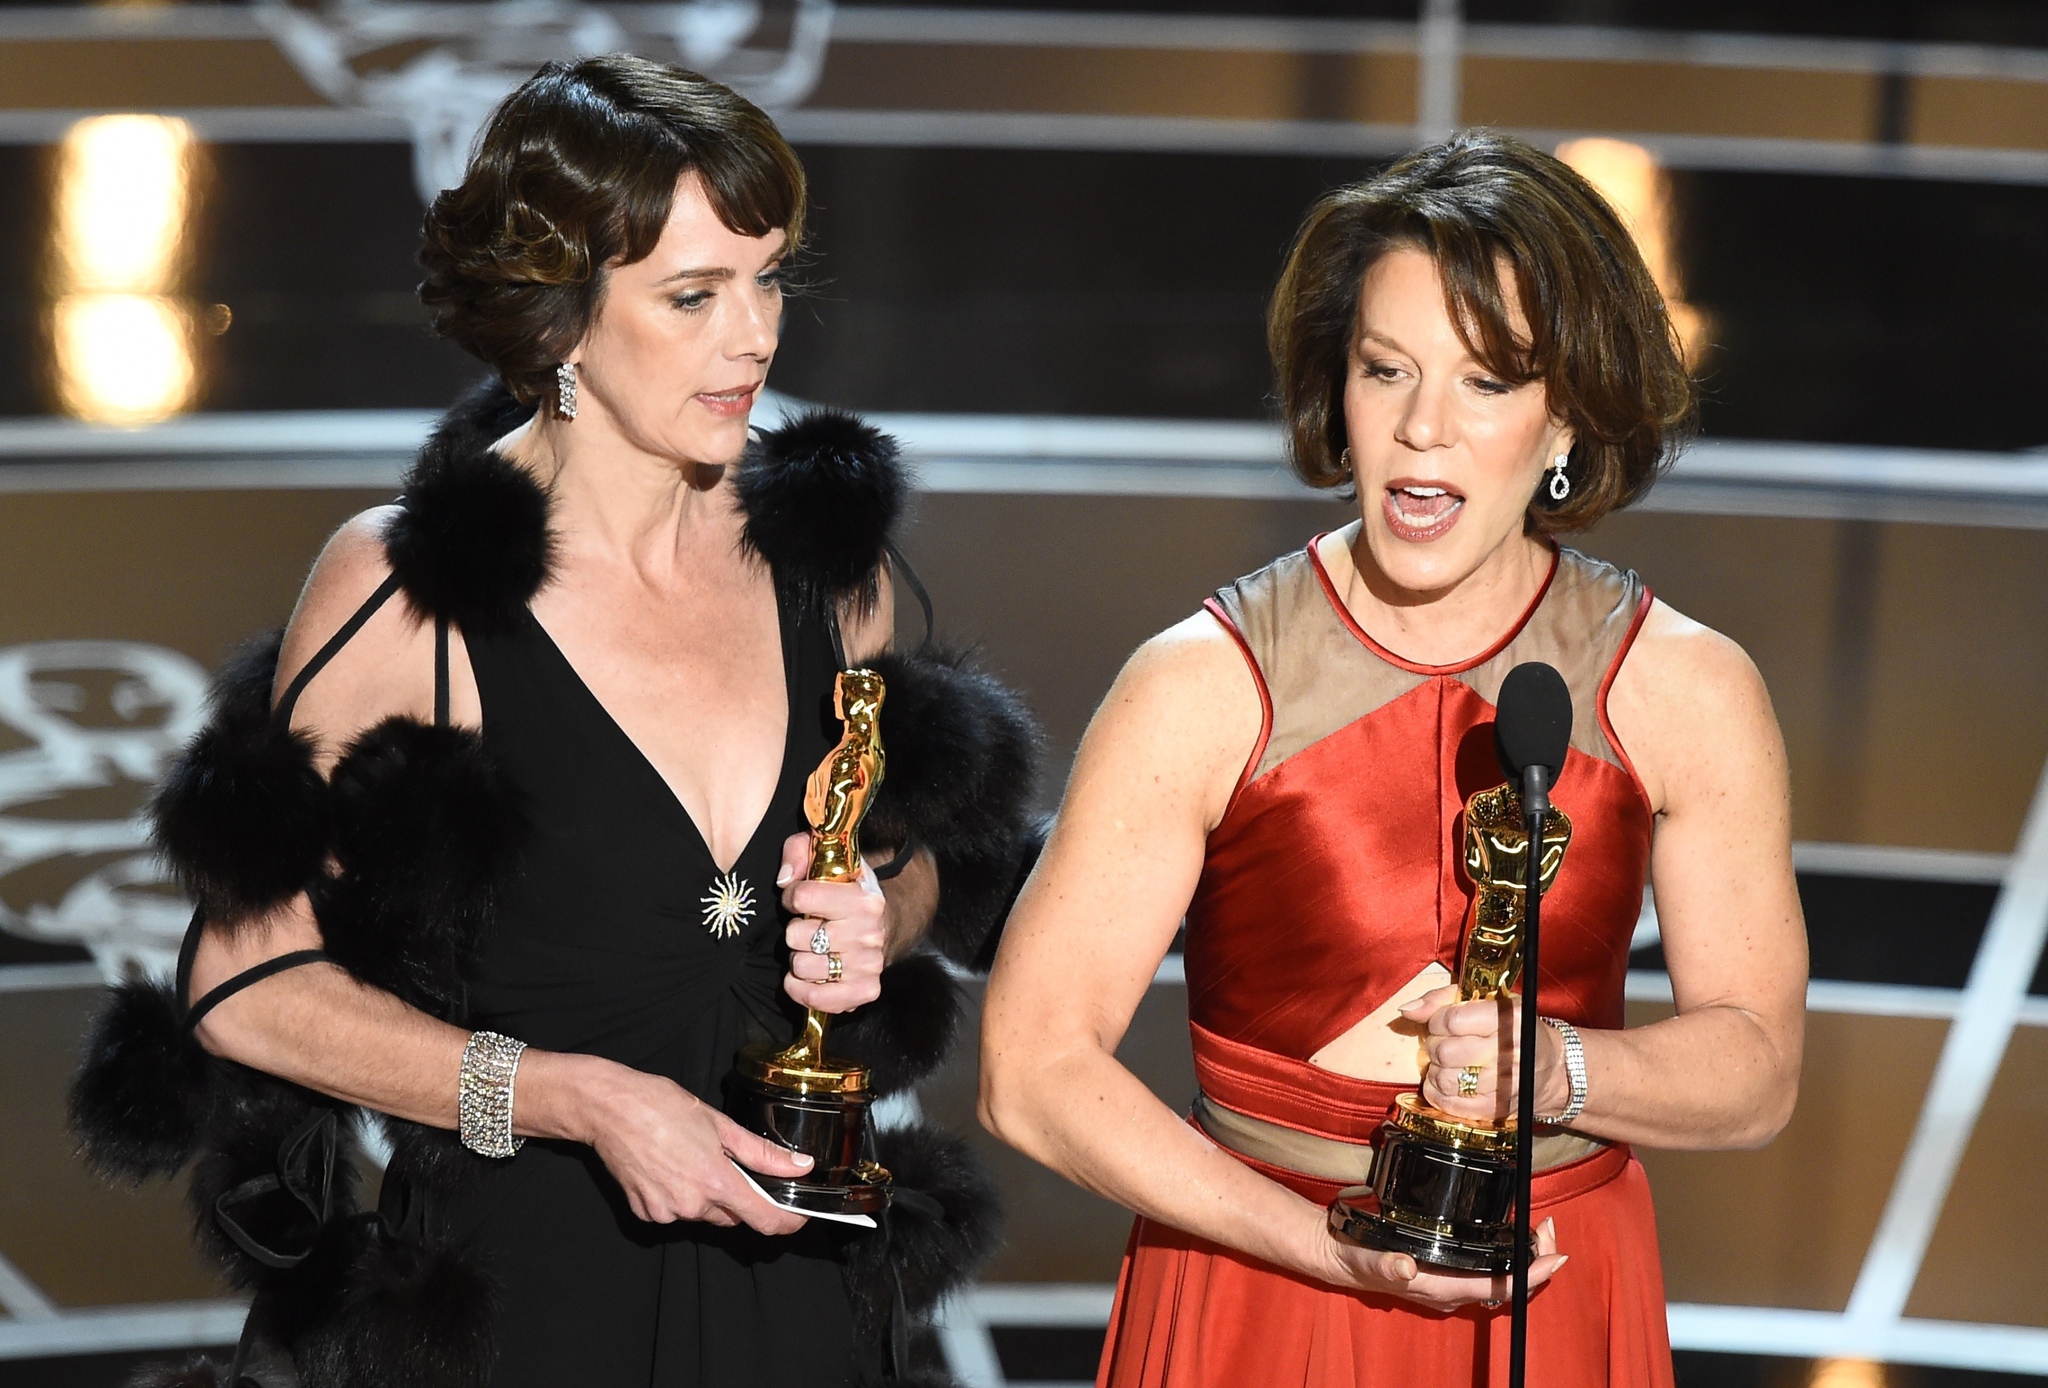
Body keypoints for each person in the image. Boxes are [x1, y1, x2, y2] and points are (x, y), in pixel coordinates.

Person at [70, 56, 1038, 1388]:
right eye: (693, 296)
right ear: (561, 323)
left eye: (767, 279)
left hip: (800, 1300)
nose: (750, 336)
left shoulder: (827, 562)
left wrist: (875, 909)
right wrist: (572, 1099)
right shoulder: (409, 592)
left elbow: (901, 865)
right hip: (515, 1307)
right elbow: (243, 984)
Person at [979, 131, 1807, 1388]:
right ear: (1339, 389)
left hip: (1552, 1291)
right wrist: (1325, 1249)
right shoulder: (1198, 682)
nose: (1423, 430)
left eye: (1484, 383)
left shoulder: (1684, 686)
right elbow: (1030, 1071)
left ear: (1565, 413)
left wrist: (1561, 1068)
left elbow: (1754, 1070)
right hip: (1255, 1287)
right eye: (1385, 370)